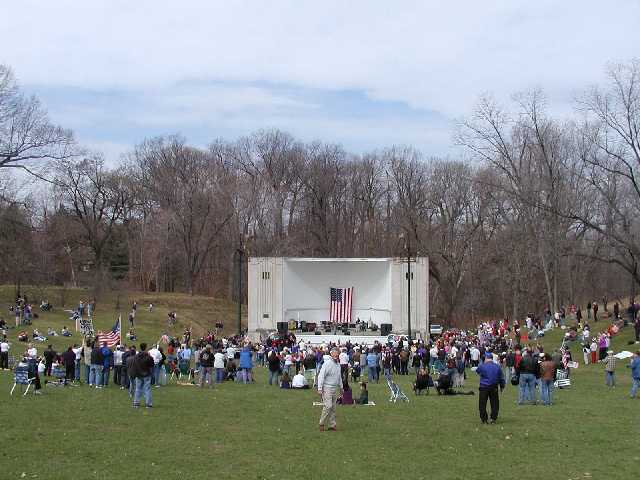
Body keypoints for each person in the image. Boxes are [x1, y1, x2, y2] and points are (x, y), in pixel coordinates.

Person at [317, 347, 342, 432]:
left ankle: (332, 425)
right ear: (331, 354)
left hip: (335, 388)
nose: (336, 355)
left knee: (333, 408)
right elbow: (321, 375)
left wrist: (341, 387)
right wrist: (320, 388)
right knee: (328, 406)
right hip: (327, 388)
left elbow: (339, 377)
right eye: (335, 353)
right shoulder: (327, 364)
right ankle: (321, 423)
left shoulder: (338, 364)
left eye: (337, 353)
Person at [476, 352, 505, 424]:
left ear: (486, 358)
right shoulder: (497, 366)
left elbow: (478, 371)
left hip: (484, 386)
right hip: (494, 386)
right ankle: (493, 418)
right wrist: (502, 386)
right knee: (494, 403)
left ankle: (484, 419)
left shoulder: (482, 366)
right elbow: (501, 377)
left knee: (482, 404)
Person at [131, 342, 154, 408]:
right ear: (145, 348)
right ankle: (148, 403)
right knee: (147, 389)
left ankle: (136, 402)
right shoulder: (148, 356)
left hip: (138, 374)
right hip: (146, 374)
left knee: (138, 388)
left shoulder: (136, 356)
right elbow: (152, 365)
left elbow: (134, 365)